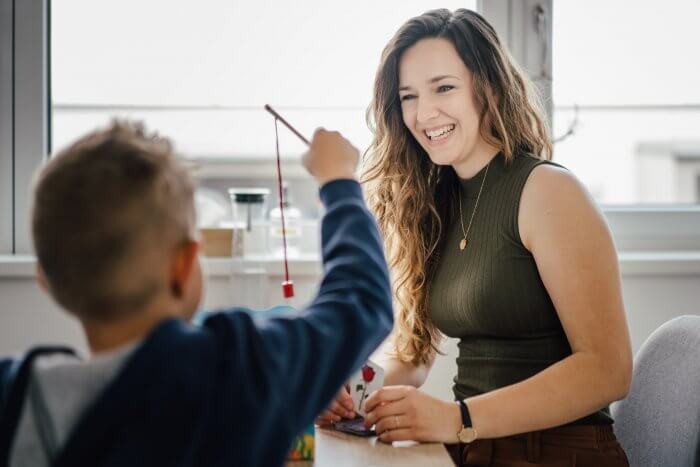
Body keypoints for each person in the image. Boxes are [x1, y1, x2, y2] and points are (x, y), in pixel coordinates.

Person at [317, 9, 632, 466]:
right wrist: (352, 393)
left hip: (558, 453)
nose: (424, 113)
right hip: (475, 449)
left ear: (488, 87)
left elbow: (609, 370)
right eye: (408, 97)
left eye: (444, 87)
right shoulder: (439, 203)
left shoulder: (547, 191)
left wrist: (458, 417)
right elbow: (416, 359)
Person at [0, 121, 393, 467]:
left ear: (47, 282)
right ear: (184, 264)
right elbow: (360, 300)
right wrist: (339, 182)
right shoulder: (239, 370)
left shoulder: (14, 395)